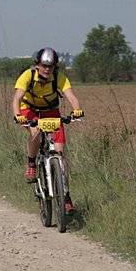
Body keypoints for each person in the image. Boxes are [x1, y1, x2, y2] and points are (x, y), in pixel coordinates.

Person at [11, 47, 84, 214]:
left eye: (50, 66)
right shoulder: (28, 76)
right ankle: (31, 163)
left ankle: (65, 197)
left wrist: (77, 110)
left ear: (55, 67)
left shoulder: (59, 77)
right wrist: (18, 115)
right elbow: (17, 98)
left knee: (60, 154)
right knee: (35, 132)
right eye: (44, 65)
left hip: (51, 111)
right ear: (37, 65)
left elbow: (71, 96)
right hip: (29, 109)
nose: (47, 69)